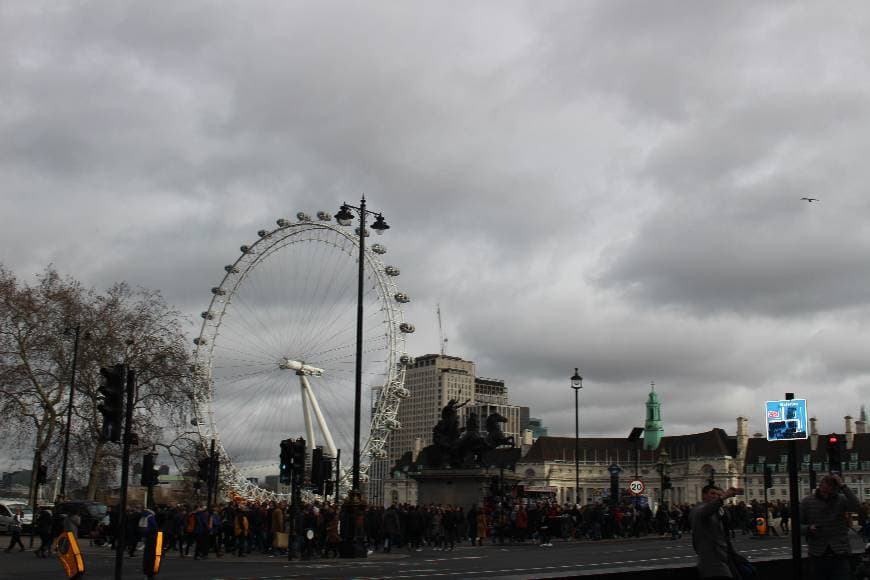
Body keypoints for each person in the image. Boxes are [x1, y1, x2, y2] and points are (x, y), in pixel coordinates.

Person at [801, 473, 861, 580]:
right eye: (825, 491)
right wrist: (809, 529)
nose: (827, 495)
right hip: (817, 553)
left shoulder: (841, 499)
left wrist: (843, 486)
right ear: (820, 487)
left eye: (831, 492)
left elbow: (857, 506)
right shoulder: (807, 502)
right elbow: (798, 527)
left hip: (840, 552)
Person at [689, 485, 744, 579]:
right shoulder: (699, 509)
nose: (715, 496)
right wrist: (723, 497)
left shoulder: (719, 511)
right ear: (703, 495)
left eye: (718, 495)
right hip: (711, 559)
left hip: (724, 556)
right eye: (712, 493)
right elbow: (705, 512)